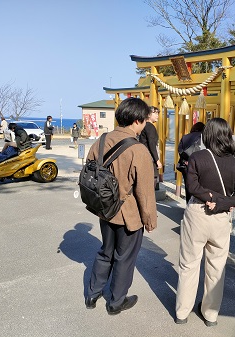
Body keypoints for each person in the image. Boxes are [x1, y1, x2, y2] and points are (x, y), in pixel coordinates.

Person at [85, 97, 157, 315]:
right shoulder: (138, 150)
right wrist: (150, 219)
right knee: (124, 257)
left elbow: (89, 171)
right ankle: (116, 301)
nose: (145, 124)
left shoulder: (100, 140)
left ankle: (92, 294)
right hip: (128, 214)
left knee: (105, 251)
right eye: (144, 120)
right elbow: (144, 191)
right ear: (136, 121)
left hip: (104, 208)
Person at [175, 117, 235, 326]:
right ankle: (210, 315)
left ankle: (182, 313)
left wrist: (210, 198)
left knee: (189, 265)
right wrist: (222, 202)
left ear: (207, 134)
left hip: (197, 213)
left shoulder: (198, 157)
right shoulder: (234, 163)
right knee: (216, 268)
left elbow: (193, 186)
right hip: (221, 219)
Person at [177, 122, 205, 203]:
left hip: (186, 165)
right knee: (200, 186)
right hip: (200, 166)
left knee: (188, 186)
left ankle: (189, 205)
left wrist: (186, 160)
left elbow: (180, 150)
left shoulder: (185, 137)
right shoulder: (204, 137)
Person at [139, 106, 162, 190]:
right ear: (148, 114)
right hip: (149, 158)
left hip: (143, 156)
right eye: (155, 113)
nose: (157, 115)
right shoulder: (150, 127)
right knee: (152, 180)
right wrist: (157, 160)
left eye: (157, 113)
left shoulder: (144, 126)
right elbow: (151, 144)